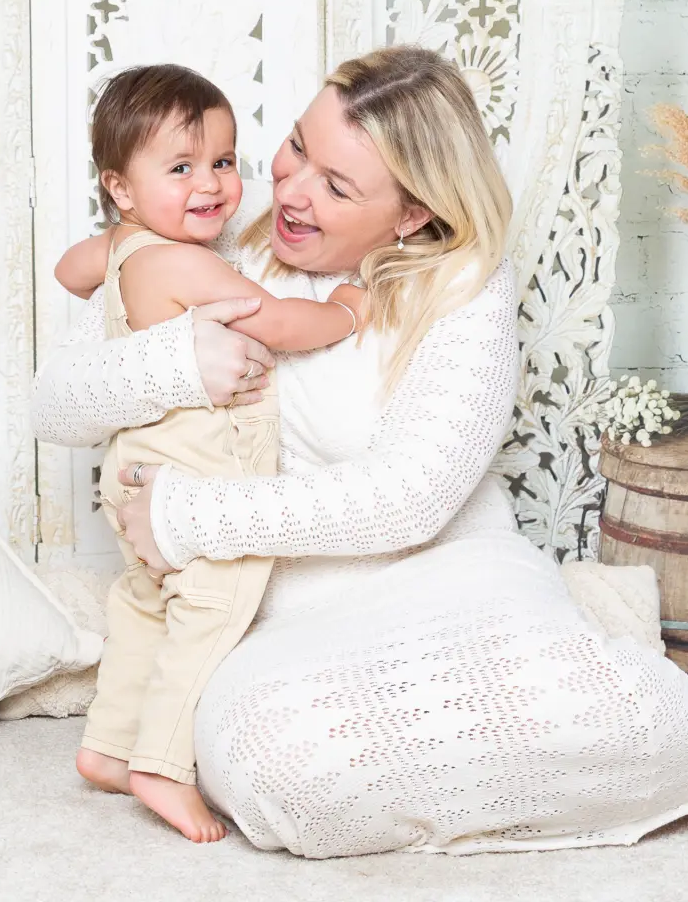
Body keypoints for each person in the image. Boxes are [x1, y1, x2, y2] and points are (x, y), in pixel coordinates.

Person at [33, 45, 688, 859]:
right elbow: (52, 402)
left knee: (650, 731)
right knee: (281, 770)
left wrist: (183, 513)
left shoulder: (461, 282)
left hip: (454, 576)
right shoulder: (209, 243)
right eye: (299, 147)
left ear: (410, 213)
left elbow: (408, 496)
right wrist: (179, 361)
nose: (290, 189)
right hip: (276, 611)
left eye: (336, 186)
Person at [54, 64, 365, 843]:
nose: (213, 187)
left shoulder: (123, 248)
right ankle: (160, 763)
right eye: (182, 168)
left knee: (143, 608)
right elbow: (284, 325)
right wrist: (350, 309)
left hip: (133, 469)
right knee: (209, 609)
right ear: (120, 186)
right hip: (191, 476)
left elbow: (69, 271)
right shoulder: (188, 264)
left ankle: (107, 746)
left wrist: (111, 245)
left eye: (224, 162)